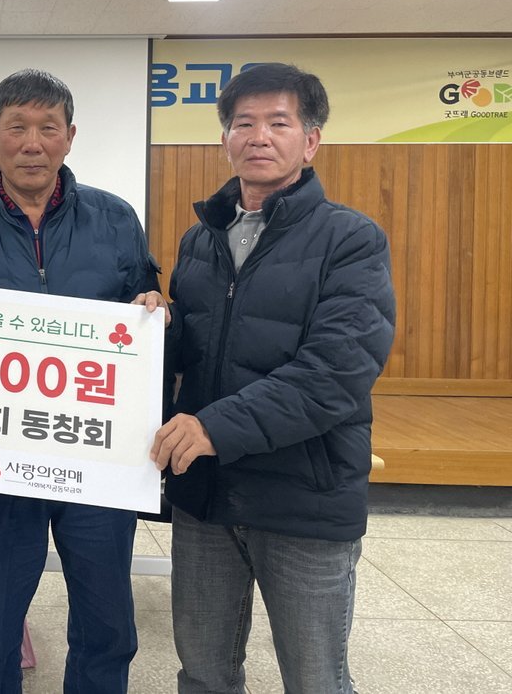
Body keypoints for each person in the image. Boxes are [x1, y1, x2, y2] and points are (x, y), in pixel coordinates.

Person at [152, 62, 396, 694]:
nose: (258, 136)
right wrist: (149, 326)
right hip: (205, 498)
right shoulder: (200, 241)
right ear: (225, 139)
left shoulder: (350, 239)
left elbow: (336, 372)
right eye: (244, 123)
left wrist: (213, 427)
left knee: (315, 679)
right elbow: (195, 353)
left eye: (278, 123)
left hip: (304, 498)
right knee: (203, 674)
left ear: (310, 141)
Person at [0, 68, 165, 694]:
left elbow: (144, 308)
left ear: (70, 137)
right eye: (17, 127)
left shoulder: (116, 220)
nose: (32, 144)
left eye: (48, 128)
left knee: (107, 623)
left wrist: (152, 306)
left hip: (98, 459)